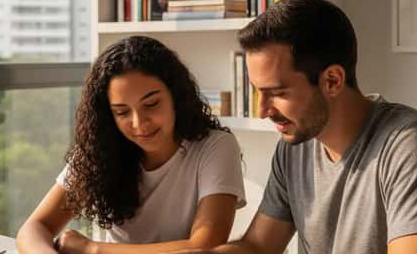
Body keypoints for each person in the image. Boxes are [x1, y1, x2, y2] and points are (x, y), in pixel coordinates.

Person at [179, 0, 417, 254]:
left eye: (278, 93)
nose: (262, 111)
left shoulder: (410, 145)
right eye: (257, 91)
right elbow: (257, 246)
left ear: (332, 81)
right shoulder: (294, 148)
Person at [16, 36, 246, 254]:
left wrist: (92, 249)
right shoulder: (100, 149)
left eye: (152, 104)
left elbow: (205, 246)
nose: (139, 124)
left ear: (176, 96)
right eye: (122, 112)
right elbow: (35, 227)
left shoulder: (215, 147)